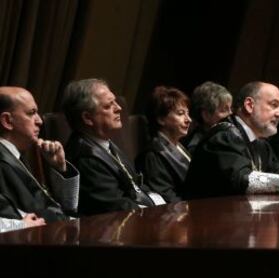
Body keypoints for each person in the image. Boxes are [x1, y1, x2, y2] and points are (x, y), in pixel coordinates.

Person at [63, 78, 165, 216]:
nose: (119, 108)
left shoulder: (104, 143)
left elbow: (135, 185)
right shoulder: (85, 157)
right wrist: (155, 212)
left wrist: (160, 203)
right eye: (108, 106)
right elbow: (115, 207)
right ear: (87, 118)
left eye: (115, 102)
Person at [0, 87, 79, 232]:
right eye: (31, 113)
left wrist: (59, 169)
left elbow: (68, 208)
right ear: (7, 121)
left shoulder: (17, 155)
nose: (40, 121)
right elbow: (31, 219)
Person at [136, 86, 192, 203]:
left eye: (188, 113)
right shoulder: (152, 155)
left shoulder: (179, 146)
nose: (188, 119)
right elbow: (167, 198)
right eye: (181, 113)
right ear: (161, 119)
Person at [183, 81, 232, 154]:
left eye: (230, 108)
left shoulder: (227, 137)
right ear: (206, 115)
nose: (230, 113)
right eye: (223, 110)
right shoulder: (198, 148)